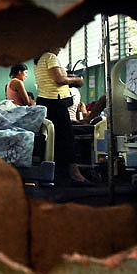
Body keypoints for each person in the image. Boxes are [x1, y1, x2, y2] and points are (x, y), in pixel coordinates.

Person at [33, 49, 90, 185]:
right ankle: (75, 174)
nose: (60, 48)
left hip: (44, 100)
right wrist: (77, 80)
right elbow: (59, 79)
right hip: (55, 101)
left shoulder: (38, 59)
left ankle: (56, 175)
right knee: (67, 137)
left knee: (54, 140)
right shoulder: (50, 57)